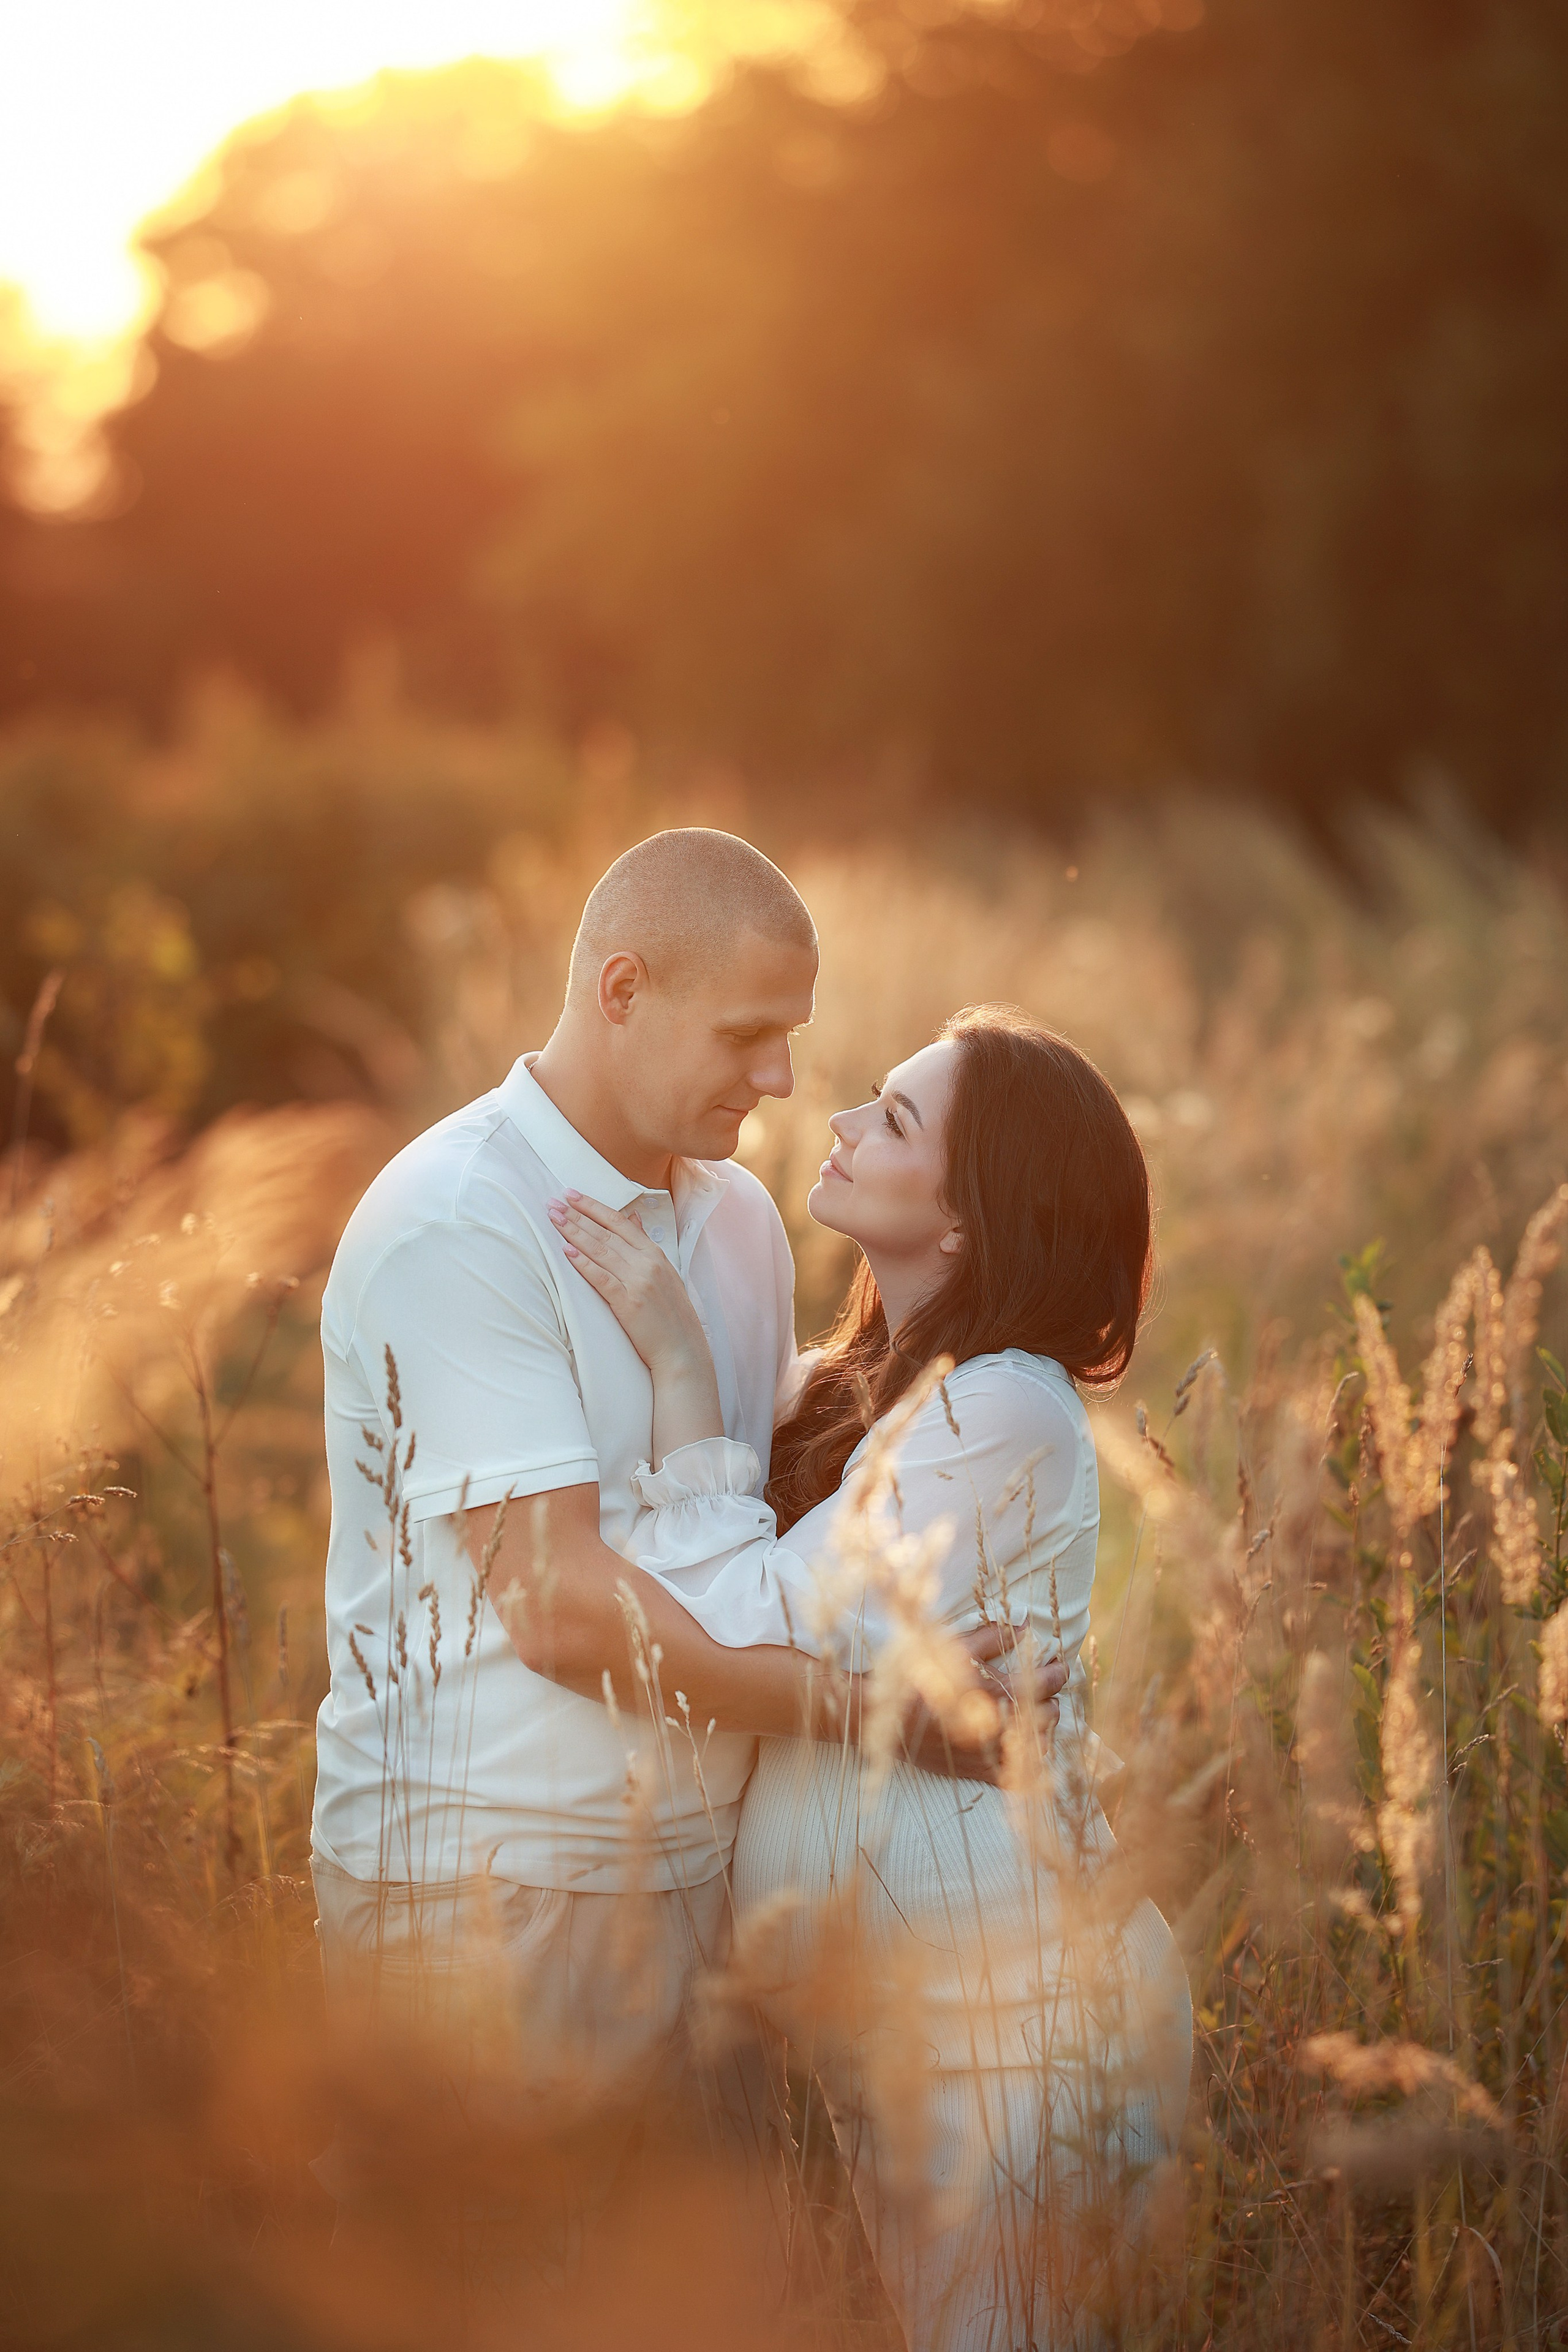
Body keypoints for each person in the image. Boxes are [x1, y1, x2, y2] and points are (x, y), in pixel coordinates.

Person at [309, 835, 1065, 2175]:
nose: (778, 1078)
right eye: (745, 1035)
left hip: (702, 1900)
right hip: (495, 1898)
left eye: (790, 1036)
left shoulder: (736, 1228)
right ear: (619, 990)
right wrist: (882, 1714)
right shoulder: (460, 1224)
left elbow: (763, 1527)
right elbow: (560, 1611)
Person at [528, 1005, 1194, 2351]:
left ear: (967, 1219)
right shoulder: (851, 1384)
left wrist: (671, 1359)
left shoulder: (1000, 1404)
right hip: (893, 2012)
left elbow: (741, 1614)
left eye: (892, 1119)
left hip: (1007, 1997)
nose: (836, 1122)